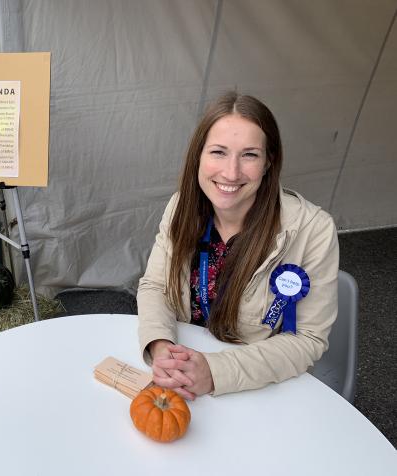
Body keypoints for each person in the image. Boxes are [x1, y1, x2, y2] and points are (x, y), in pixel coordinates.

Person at [137, 91, 338, 400]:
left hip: (257, 384)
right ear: (198, 156)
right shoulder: (181, 207)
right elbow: (155, 286)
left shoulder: (314, 230)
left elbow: (306, 339)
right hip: (182, 373)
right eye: (218, 152)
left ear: (269, 162)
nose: (231, 172)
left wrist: (216, 372)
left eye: (249, 155)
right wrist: (161, 345)